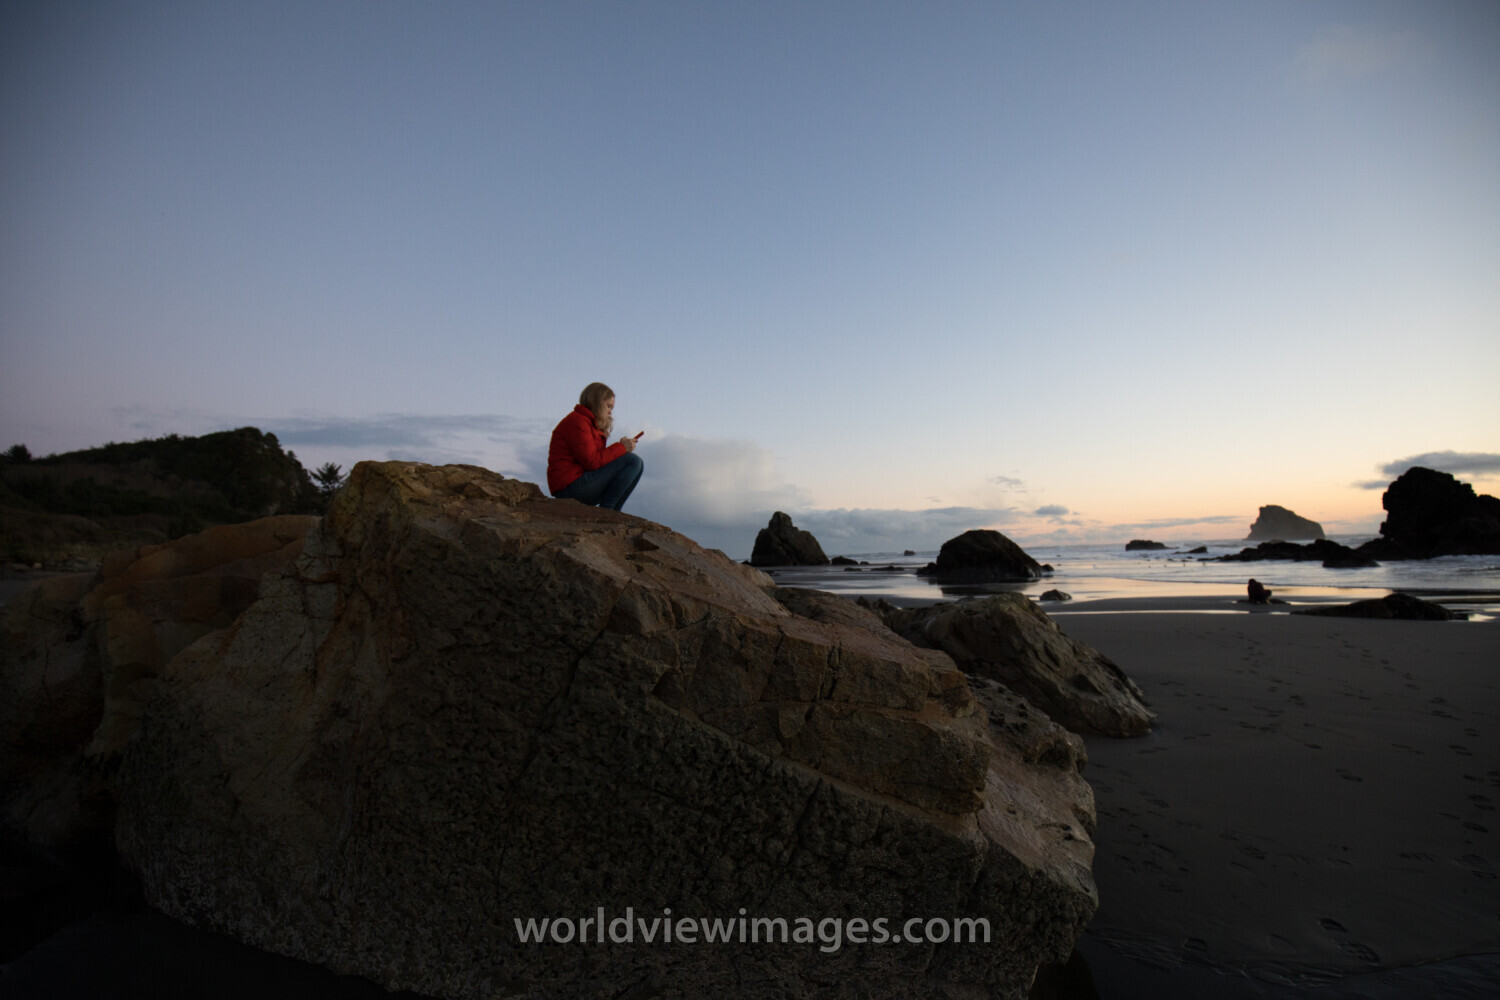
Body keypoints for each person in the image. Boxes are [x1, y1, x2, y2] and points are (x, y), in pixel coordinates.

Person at [547, 382, 644, 512]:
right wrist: (620, 448)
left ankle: (613, 513)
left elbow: (596, 460)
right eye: (608, 406)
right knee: (632, 461)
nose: (610, 412)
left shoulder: (590, 424)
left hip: (578, 482)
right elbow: (592, 462)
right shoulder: (578, 421)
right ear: (596, 402)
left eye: (612, 408)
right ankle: (607, 511)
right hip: (569, 487)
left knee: (638, 464)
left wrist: (620, 449)